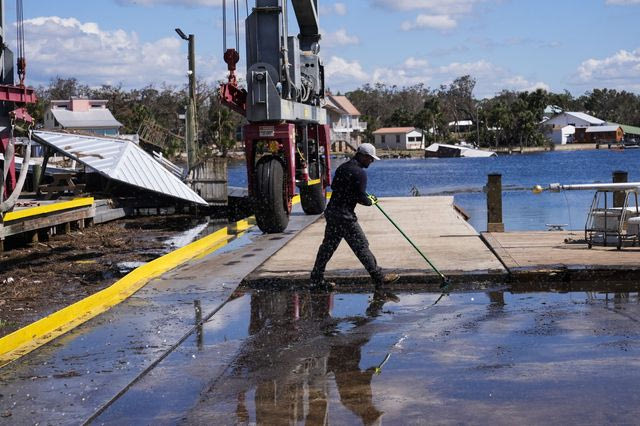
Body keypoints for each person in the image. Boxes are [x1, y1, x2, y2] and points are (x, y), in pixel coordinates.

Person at [310, 143, 399, 289]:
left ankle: (316, 278)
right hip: (345, 216)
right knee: (361, 246)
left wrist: (356, 193)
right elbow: (361, 198)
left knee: (328, 247)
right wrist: (371, 200)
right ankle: (379, 278)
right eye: (370, 158)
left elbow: (335, 187)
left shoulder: (342, 168)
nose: (372, 161)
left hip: (332, 213)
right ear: (363, 156)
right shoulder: (359, 173)